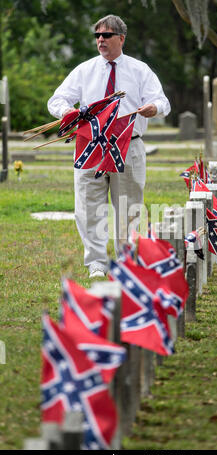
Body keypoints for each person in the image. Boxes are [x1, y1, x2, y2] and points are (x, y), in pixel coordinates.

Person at [48, 14, 170, 278]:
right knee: (88, 205)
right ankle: (97, 263)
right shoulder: (84, 70)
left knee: (128, 207)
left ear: (121, 38)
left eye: (106, 35)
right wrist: (68, 111)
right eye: (97, 36)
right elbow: (56, 100)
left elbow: (163, 102)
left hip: (128, 146)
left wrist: (153, 108)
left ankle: (127, 261)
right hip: (90, 146)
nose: (100, 40)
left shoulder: (140, 70)